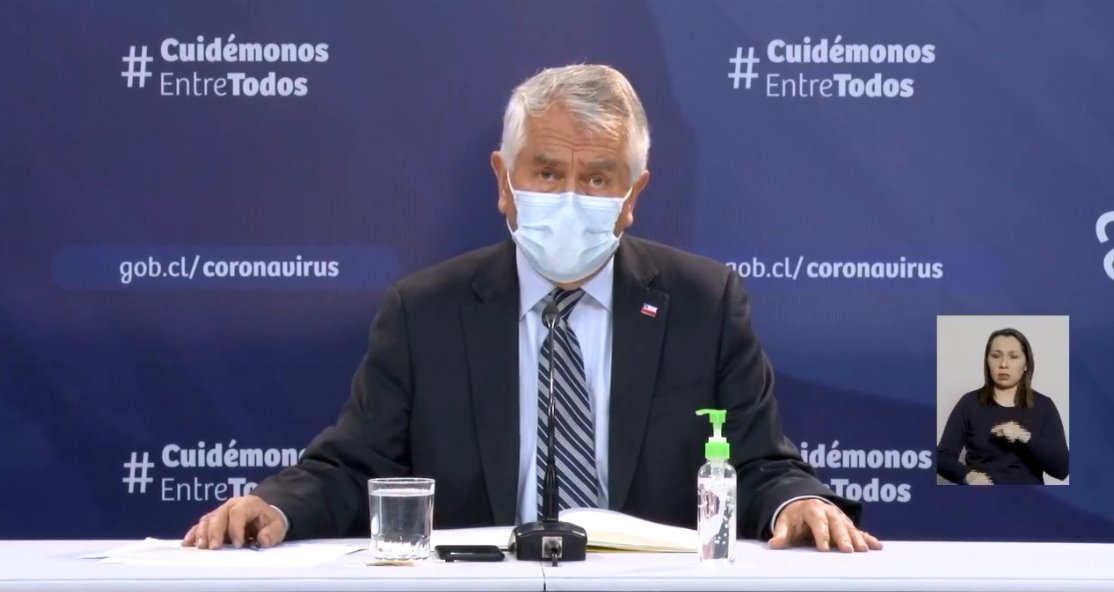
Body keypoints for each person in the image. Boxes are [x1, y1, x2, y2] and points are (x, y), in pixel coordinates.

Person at [181, 64, 882, 553]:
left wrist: (799, 502)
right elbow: (354, 466)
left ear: (633, 196)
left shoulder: (704, 303)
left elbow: (758, 464)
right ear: (503, 181)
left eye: (597, 178)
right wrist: (273, 506)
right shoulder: (425, 311)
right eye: (547, 172)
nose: (570, 197)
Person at [936, 328, 1069, 485]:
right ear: (987, 361)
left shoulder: (1044, 406)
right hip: (982, 497)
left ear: (1026, 364)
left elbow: (1062, 469)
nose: (1003, 364)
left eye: (1013, 356)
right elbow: (941, 457)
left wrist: (1025, 436)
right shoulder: (969, 403)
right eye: (995, 356)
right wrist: (969, 476)